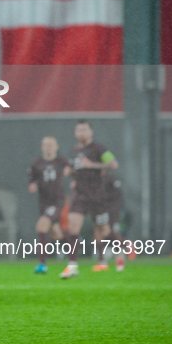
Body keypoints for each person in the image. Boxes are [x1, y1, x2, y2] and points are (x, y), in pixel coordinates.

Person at [61, 120, 118, 279]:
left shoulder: (99, 149)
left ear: (91, 132)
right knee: (73, 227)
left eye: (84, 129)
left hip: (97, 196)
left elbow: (113, 165)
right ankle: (72, 266)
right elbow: (79, 169)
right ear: (75, 133)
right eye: (79, 130)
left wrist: (91, 165)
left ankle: (111, 255)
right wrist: (70, 171)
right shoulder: (75, 150)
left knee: (102, 230)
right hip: (79, 195)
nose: (81, 132)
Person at [27, 136, 69, 274]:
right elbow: (31, 177)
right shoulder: (37, 163)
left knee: (41, 226)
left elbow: (74, 170)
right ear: (42, 147)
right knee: (57, 234)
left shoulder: (62, 161)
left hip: (56, 202)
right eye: (45, 145)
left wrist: (74, 177)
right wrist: (32, 184)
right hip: (43, 203)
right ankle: (73, 247)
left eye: (51, 145)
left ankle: (42, 265)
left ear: (56, 146)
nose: (48, 147)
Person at [93, 171, 128, 272]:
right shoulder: (93, 179)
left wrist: (104, 197)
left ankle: (120, 260)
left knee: (113, 233)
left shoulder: (111, 178)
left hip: (112, 211)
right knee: (97, 232)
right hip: (99, 209)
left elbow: (119, 192)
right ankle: (102, 262)